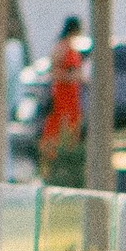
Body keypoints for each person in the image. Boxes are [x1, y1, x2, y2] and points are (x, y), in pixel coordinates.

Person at [42, 21, 87, 158]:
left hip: (73, 93)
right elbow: (53, 73)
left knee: (74, 124)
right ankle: (51, 155)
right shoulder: (60, 47)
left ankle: (70, 154)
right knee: (57, 125)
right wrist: (70, 76)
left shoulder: (73, 48)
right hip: (62, 93)